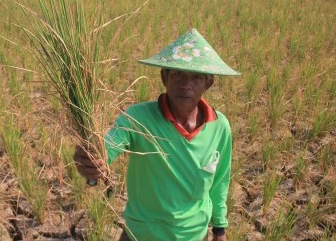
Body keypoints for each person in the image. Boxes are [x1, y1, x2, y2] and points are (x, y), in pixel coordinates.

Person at [74, 29, 240, 241]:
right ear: (164, 76)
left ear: (209, 83)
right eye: (177, 73)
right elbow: (107, 149)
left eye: (196, 77)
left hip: (195, 236)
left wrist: (219, 229)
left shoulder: (219, 127)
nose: (185, 84)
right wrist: (93, 159)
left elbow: (219, 182)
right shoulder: (137, 118)